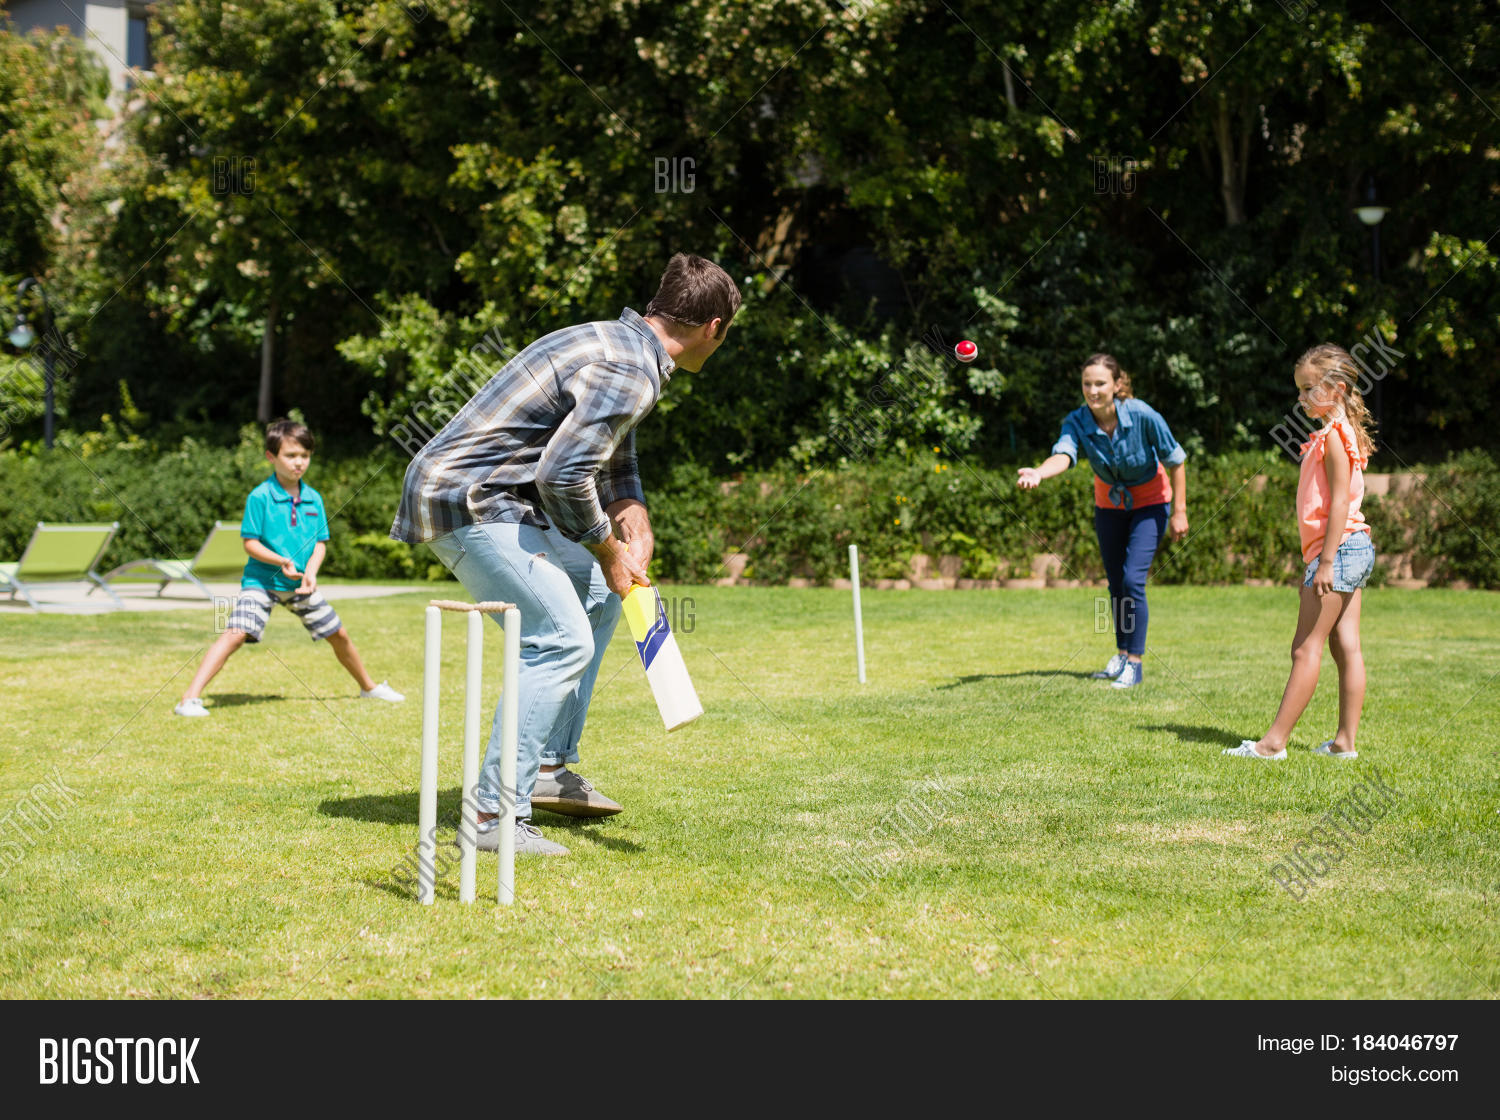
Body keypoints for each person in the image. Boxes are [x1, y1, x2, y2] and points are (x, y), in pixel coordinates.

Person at [392, 253, 740, 856]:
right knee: (559, 640)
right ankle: (491, 816)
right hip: (469, 499)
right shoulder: (633, 368)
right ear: (714, 327)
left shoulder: (620, 344)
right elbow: (563, 473)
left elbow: (608, 448)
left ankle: (549, 766)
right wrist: (606, 546)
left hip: (486, 495)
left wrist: (631, 506)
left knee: (606, 591)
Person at [175, 419, 404, 716]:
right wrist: (281, 560)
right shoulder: (260, 496)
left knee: (339, 634)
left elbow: (320, 542)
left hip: (300, 585)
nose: (299, 463)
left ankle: (369, 687)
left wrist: (310, 573)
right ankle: (189, 699)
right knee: (234, 633)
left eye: (305, 456)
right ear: (271, 457)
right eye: (291, 455)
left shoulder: (314, 498)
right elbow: (250, 544)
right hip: (260, 582)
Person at [1224, 344, 1375, 760]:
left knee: (1305, 647)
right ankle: (1344, 743)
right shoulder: (1338, 433)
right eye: (1299, 390)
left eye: (1308, 390)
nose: (1301, 398)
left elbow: (1340, 503)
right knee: (1347, 645)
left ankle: (1272, 745)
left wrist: (1325, 563)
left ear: (1337, 389)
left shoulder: (1333, 438)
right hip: (1351, 547)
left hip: (1339, 551)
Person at [1016, 353, 1189, 688]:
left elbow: (1176, 460)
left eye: (1100, 383)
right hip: (1109, 504)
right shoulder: (1077, 420)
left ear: (1117, 385)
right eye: (1087, 384)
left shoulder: (1141, 414)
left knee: (1132, 580)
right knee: (1115, 584)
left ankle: (1135, 665)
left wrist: (1179, 511)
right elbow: (1064, 454)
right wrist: (1039, 472)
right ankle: (1122, 654)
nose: (1092, 390)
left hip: (1151, 502)